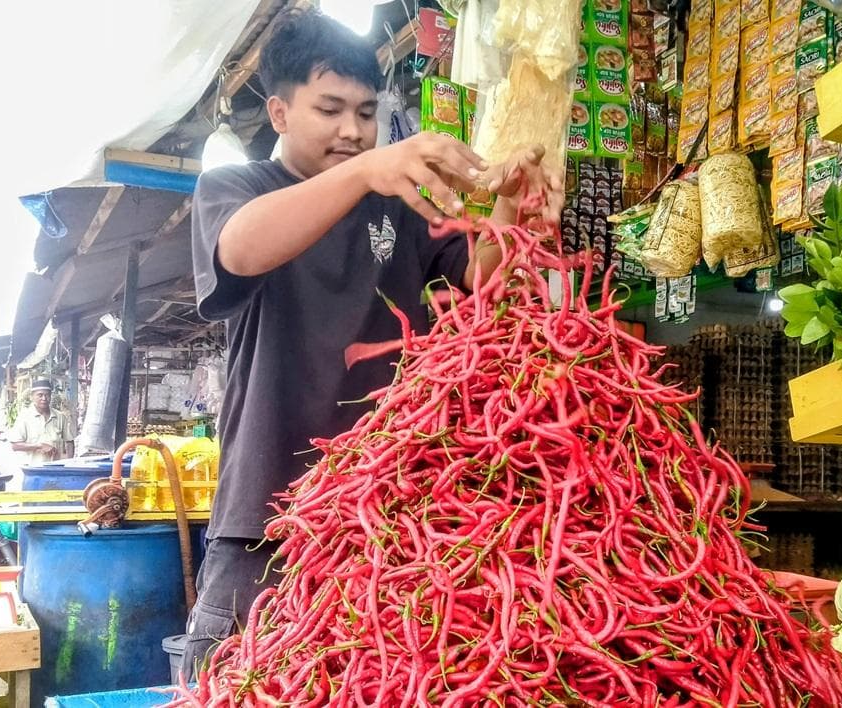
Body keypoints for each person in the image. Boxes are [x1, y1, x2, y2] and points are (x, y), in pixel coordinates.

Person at [183, 8, 563, 677]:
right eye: (329, 110)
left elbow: (480, 277)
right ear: (278, 112)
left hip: (381, 521)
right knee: (239, 686)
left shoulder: (397, 203)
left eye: (366, 112)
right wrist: (366, 172)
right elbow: (240, 251)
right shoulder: (238, 187)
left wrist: (510, 202)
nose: (353, 131)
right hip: (266, 524)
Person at [9, 380, 75, 465]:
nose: (44, 398)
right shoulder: (24, 417)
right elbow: (15, 446)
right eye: (40, 395)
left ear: (51, 396)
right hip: (33, 470)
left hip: (56, 469)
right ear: (32, 397)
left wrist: (69, 462)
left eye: (47, 395)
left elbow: (69, 441)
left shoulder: (60, 417)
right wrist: (39, 446)